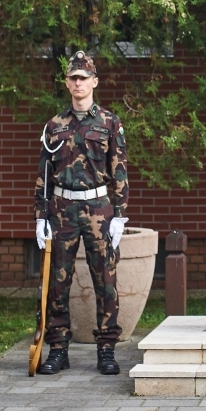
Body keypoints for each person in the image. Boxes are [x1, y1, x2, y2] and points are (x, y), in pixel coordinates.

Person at [34, 51, 129, 376]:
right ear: (67, 82)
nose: (78, 82)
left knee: (105, 279)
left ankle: (106, 350)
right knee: (57, 281)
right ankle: (58, 349)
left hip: (99, 208)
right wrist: (40, 216)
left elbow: (119, 170)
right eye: (73, 77)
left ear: (94, 82)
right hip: (61, 209)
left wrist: (119, 214)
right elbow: (43, 174)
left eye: (84, 77)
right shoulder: (54, 125)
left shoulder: (109, 122)